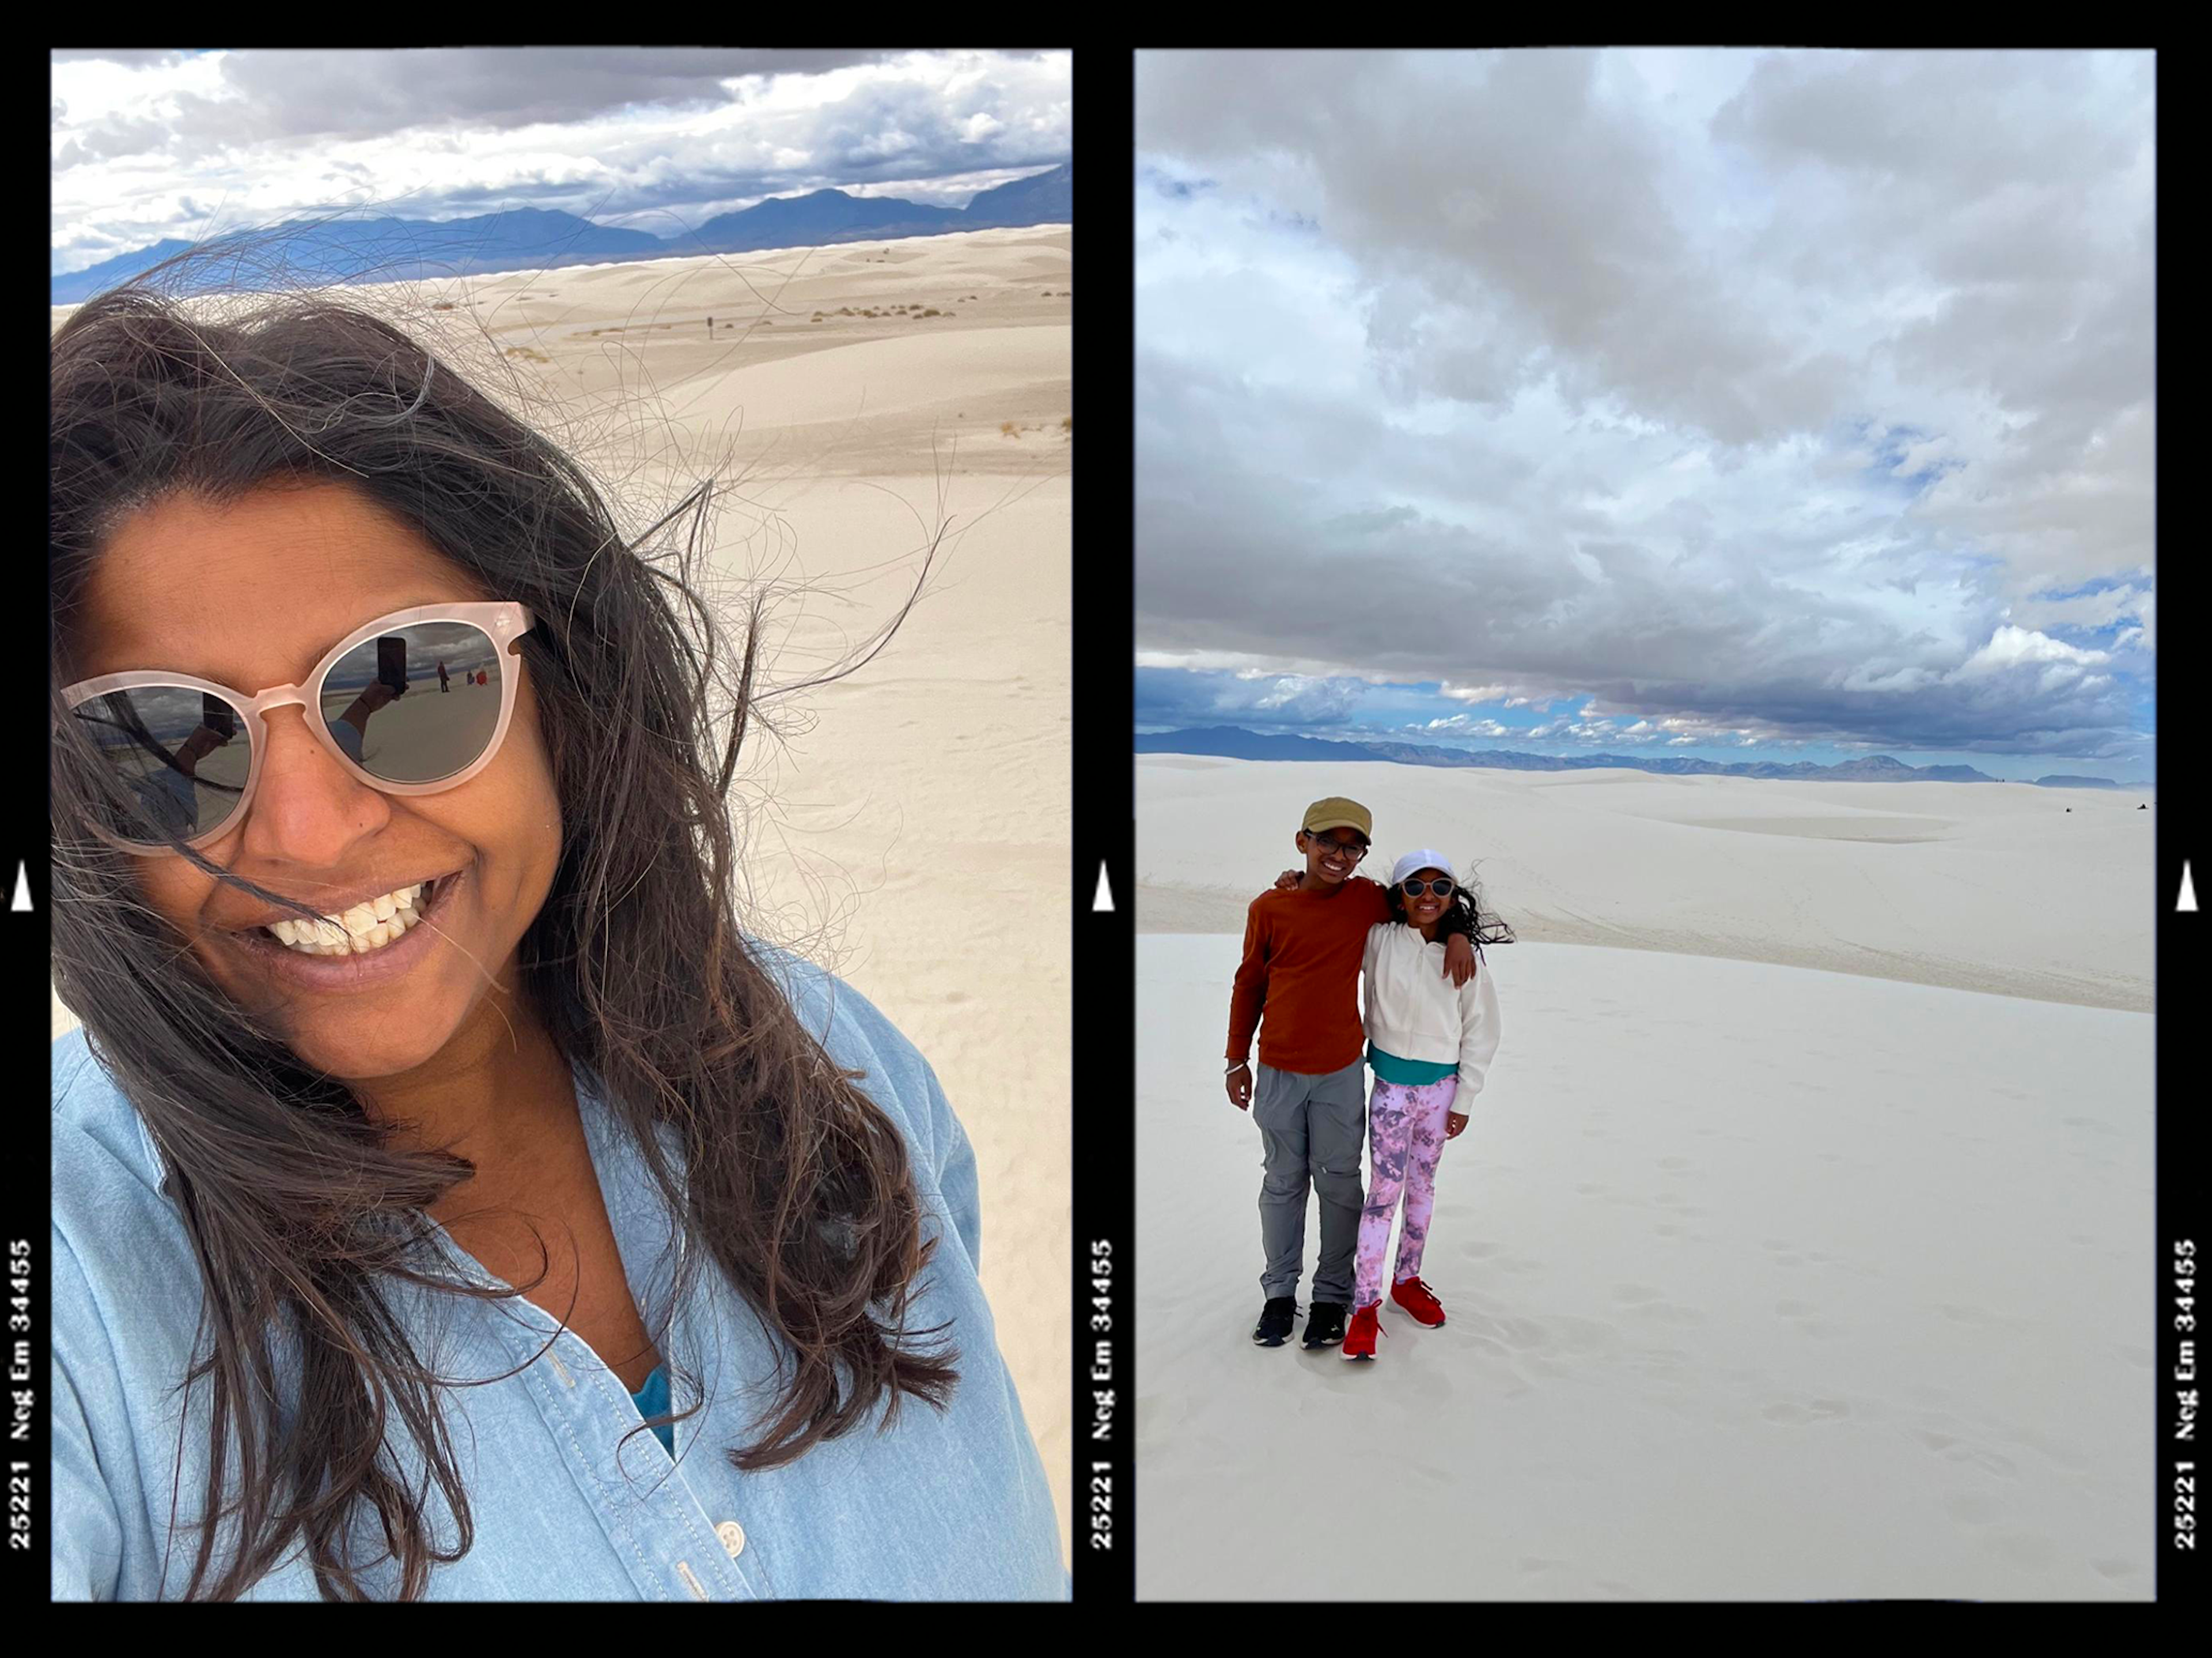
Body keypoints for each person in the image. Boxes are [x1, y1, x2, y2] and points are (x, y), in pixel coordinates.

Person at [48, 262, 1065, 1601]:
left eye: (406, 684)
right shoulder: (77, 1284)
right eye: (163, 743)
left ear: (560, 694)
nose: (305, 831)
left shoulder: (834, 1063)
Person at [1225, 797, 1476, 1354]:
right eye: (1327, 842)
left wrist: (1458, 932)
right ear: (1302, 841)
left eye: (1352, 846)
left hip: (1340, 1072)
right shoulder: (1270, 907)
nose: (1339, 855)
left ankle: (1334, 1297)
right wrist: (1236, 1057)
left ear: (1363, 853)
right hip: (1277, 1071)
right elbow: (1249, 983)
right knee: (1283, 1183)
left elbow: (1428, 903)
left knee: (1339, 1185)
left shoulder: (1366, 902)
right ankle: (1279, 1295)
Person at [1341, 851, 1509, 1362]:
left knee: (1423, 1190)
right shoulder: (1379, 941)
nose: (1428, 897)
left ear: (1454, 896)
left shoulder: (1464, 958)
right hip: (1391, 1090)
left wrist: (1466, 1097)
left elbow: (1483, 1030)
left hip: (1441, 1095)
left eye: (1441, 887)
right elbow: (1342, 903)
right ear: (1399, 896)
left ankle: (1407, 1279)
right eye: (1415, 887)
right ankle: (1365, 1303)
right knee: (1382, 1195)